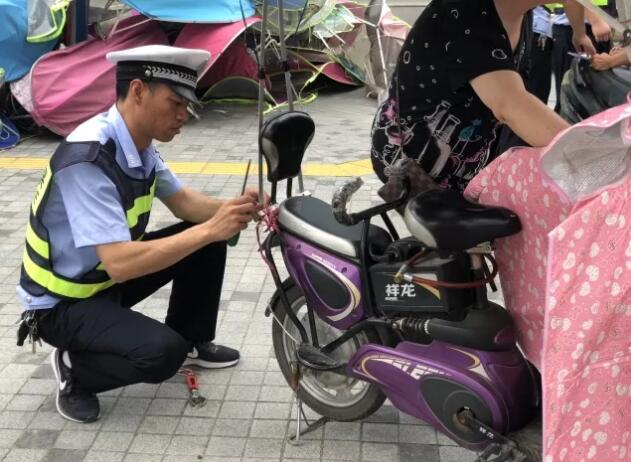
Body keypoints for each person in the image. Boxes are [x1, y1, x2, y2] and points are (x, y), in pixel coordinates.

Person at [16, 45, 264, 423]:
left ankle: (193, 338)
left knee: (207, 240)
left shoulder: (138, 143)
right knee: (162, 354)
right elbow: (119, 264)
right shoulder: (88, 158)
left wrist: (237, 210)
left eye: (188, 105)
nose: (185, 115)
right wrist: (211, 228)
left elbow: (182, 202)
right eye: (175, 103)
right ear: (138, 91)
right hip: (63, 303)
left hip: (99, 282)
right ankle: (75, 372)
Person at [370, 0, 595, 191]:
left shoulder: (518, 14)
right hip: (412, 161)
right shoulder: (467, 11)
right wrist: (597, 154)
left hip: (466, 158)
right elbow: (510, 105)